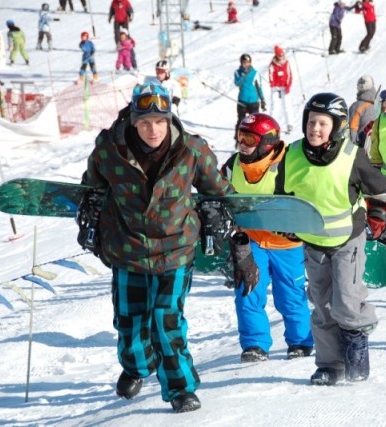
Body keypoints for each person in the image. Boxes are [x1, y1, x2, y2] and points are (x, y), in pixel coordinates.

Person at [79, 82, 237, 413]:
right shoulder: (110, 149)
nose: (153, 130)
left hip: (176, 249)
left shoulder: (191, 150)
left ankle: (180, 388)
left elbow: (220, 190)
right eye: (145, 123)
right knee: (130, 322)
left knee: (167, 321)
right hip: (127, 249)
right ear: (133, 121)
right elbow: (91, 188)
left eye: (160, 122)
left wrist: (216, 212)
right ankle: (138, 366)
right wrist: (91, 214)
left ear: (170, 120)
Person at [274, 93, 386, 385]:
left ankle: (356, 346)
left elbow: (381, 189)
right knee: (322, 306)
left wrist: (378, 213)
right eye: (311, 122)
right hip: (313, 243)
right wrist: (287, 223)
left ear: (337, 127)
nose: (315, 128)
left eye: (323, 124)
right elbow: (282, 196)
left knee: (346, 301)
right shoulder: (292, 155)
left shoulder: (351, 155)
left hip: (348, 239)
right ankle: (329, 366)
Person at [221, 113, 314, 363]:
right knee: (248, 291)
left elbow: (308, 193)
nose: (242, 143)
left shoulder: (289, 163)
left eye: (250, 139)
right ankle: (255, 344)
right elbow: (219, 195)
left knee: (291, 295)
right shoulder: (232, 166)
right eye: (241, 136)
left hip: (287, 243)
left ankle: (300, 341)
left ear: (267, 143)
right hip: (252, 241)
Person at [234, 53, 266, 142]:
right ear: (241, 63)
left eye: (247, 62)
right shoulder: (238, 72)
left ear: (250, 62)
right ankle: (238, 139)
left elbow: (259, 87)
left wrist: (262, 99)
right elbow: (237, 83)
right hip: (242, 100)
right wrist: (243, 75)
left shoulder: (255, 73)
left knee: (254, 122)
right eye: (244, 62)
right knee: (241, 121)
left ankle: (256, 139)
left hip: (253, 101)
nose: (246, 64)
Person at [268, 46, 293, 134]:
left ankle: (289, 124)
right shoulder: (272, 64)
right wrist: (272, 84)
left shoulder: (286, 63)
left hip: (284, 86)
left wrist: (288, 86)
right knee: (274, 106)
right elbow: (271, 76)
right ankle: (272, 125)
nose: (282, 57)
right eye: (280, 55)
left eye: (282, 55)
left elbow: (289, 75)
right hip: (275, 87)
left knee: (286, 105)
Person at [348, 74, 377, 144]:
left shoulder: (356, 106)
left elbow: (353, 127)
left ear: (361, 86)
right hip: (377, 143)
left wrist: (353, 143)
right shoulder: (379, 105)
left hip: (362, 143)